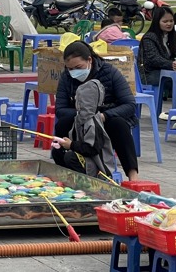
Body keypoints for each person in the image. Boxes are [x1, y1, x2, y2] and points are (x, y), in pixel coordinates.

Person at [56, 41, 140, 181]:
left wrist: (103, 116)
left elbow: (129, 104)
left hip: (105, 119)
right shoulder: (66, 77)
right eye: (70, 69)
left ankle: (133, 176)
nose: (74, 72)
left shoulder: (109, 72)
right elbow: (61, 109)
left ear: (89, 60)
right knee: (62, 124)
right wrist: (82, 116)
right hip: (79, 121)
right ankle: (65, 171)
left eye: (78, 67)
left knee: (119, 125)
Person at [51, 78, 115, 178]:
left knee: (70, 157)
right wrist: (64, 143)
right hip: (84, 156)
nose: (78, 104)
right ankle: (66, 177)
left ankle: (83, 180)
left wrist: (71, 145)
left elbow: (92, 149)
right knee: (57, 152)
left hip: (96, 165)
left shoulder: (93, 123)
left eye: (82, 102)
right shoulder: (79, 118)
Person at [138, 6, 176, 87]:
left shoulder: (172, 35)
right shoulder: (149, 37)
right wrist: (171, 64)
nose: (169, 24)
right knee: (175, 80)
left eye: (171, 21)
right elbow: (154, 59)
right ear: (157, 22)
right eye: (165, 21)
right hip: (149, 74)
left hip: (167, 71)